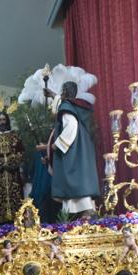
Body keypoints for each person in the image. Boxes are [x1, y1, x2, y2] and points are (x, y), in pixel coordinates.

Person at [47, 80, 100, 216]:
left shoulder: (66, 106)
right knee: (80, 179)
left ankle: (81, 214)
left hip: (73, 150)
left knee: (73, 178)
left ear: (64, 92)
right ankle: (83, 214)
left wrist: (58, 144)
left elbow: (71, 125)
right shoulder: (78, 106)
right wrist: (53, 95)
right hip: (82, 149)